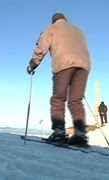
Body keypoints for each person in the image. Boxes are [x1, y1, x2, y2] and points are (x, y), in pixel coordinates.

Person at [27, 13, 91, 146]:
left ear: (54, 20)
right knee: (76, 101)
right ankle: (80, 135)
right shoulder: (78, 30)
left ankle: (59, 133)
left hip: (64, 65)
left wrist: (33, 64)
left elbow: (41, 47)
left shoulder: (51, 28)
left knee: (58, 99)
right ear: (65, 19)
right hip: (84, 66)